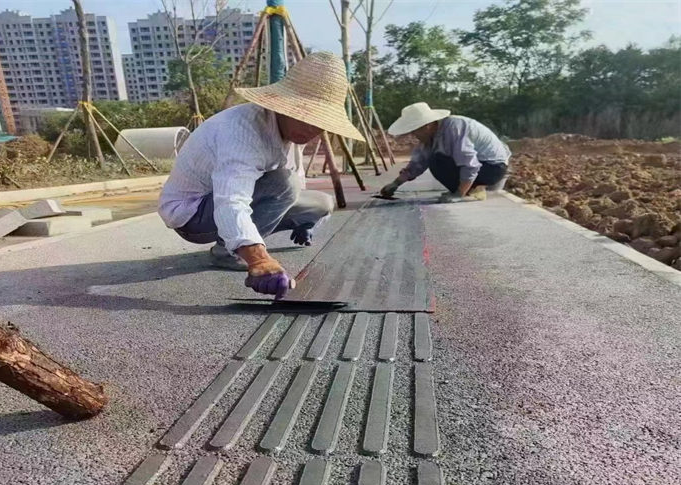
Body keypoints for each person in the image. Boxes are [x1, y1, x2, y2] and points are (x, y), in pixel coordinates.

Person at [158, 52, 363, 299]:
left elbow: (296, 185)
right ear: (284, 106)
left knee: (321, 204)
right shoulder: (243, 133)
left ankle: (241, 240)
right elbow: (230, 201)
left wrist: (304, 221)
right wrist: (258, 259)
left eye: (320, 122)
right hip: (192, 216)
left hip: (227, 202)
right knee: (283, 183)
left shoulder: (289, 133)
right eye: (306, 117)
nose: (313, 129)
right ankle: (228, 252)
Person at [380, 102, 510, 201]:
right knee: (434, 159)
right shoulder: (432, 137)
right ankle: (473, 188)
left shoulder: (454, 129)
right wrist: (395, 184)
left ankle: (470, 189)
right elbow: (418, 164)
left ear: (427, 125)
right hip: (482, 166)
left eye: (415, 131)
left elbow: (470, 164)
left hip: (493, 167)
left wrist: (458, 194)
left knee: (437, 162)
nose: (414, 135)